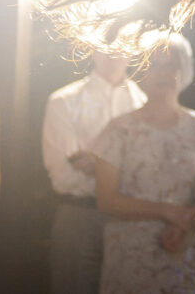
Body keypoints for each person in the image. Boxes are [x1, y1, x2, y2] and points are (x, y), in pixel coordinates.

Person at [91, 33, 195, 293]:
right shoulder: (118, 129)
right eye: (152, 65)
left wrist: (186, 217)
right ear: (140, 71)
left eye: (170, 65)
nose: (161, 73)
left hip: (185, 247)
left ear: (184, 70)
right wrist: (166, 211)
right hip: (130, 253)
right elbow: (105, 199)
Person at [41, 50, 146, 294]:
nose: (113, 53)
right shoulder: (64, 100)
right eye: (106, 45)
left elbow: (148, 168)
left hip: (130, 218)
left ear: (132, 51)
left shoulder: (142, 102)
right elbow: (64, 170)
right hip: (80, 214)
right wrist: (122, 165)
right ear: (94, 50)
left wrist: (96, 162)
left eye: (120, 46)